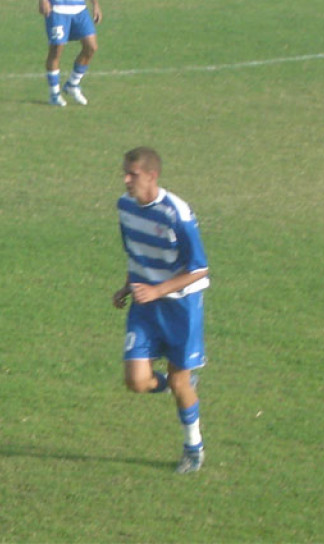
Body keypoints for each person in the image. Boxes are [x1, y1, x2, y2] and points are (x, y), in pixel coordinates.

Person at [112, 147, 210, 475]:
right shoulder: (125, 206)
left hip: (181, 307)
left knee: (181, 384)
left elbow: (200, 268)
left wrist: (157, 290)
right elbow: (136, 253)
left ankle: (193, 448)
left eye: (133, 174)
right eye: (125, 173)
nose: (126, 180)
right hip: (145, 305)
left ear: (152, 176)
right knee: (136, 381)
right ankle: (178, 382)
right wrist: (128, 285)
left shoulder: (177, 214)